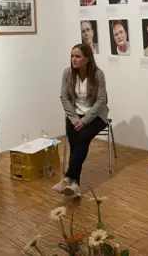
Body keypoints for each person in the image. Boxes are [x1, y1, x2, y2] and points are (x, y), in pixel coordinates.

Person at [52, 43, 109, 197]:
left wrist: (84, 121)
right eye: (72, 56)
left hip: (96, 116)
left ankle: (68, 178)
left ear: (87, 59)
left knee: (83, 137)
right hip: (75, 115)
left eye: (78, 56)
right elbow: (64, 97)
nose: (74, 60)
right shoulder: (67, 73)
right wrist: (75, 118)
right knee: (75, 143)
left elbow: (101, 101)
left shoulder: (98, 74)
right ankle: (75, 185)